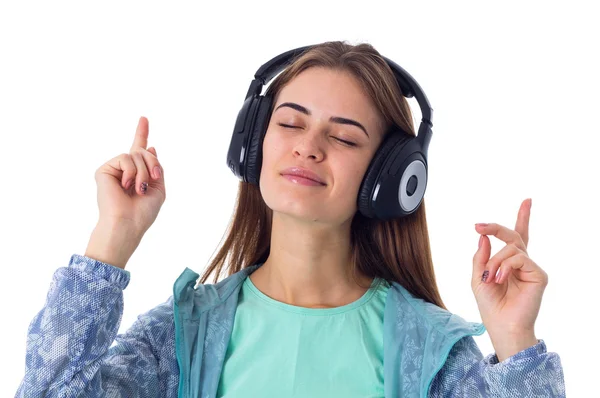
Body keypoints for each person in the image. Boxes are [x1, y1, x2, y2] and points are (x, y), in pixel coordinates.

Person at [15, 41, 566, 397]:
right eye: (290, 123)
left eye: (345, 136)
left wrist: (515, 337)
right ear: (254, 144)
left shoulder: (430, 349)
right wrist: (112, 240)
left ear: (392, 179)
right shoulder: (186, 335)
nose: (309, 147)